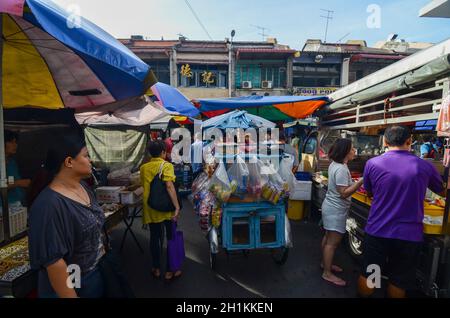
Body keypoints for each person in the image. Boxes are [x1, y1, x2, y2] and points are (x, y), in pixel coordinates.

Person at [358, 126, 444, 298]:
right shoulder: (423, 165)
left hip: (378, 231)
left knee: (371, 274)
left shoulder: (372, 163)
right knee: (398, 279)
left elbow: (368, 191)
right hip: (408, 236)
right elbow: (440, 190)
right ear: (409, 141)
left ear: (385, 141)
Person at [28, 134, 106, 298]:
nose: (90, 160)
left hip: (93, 276)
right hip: (73, 284)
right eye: (85, 156)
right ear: (69, 162)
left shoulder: (83, 187)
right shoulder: (49, 205)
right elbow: (55, 263)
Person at [321, 139, 364, 287]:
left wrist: (354, 182)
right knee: (332, 243)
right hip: (335, 210)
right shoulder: (340, 169)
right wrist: (360, 182)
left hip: (332, 208)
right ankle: (327, 273)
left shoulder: (338, 165)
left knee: (328, 238)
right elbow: (344, 193)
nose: (354, 151)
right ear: (345, 152)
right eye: (352, 149)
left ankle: (325, 263)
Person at [141, 140, 182, 281]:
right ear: (164, 152)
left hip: (151, 207)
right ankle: (170, 270)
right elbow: (169, 186)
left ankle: (156, 268)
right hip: (166, 208)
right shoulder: (167, 166)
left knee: (154, 237)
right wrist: (177, 207)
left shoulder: (144, 168)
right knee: (170, 237)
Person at [4, 130, 31, 205]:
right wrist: (18, 183)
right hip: (5, 207)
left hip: (18, 204)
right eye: (11, 142)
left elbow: (13, 180)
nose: (15, 145)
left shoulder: (12, 162)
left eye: (16, 142)